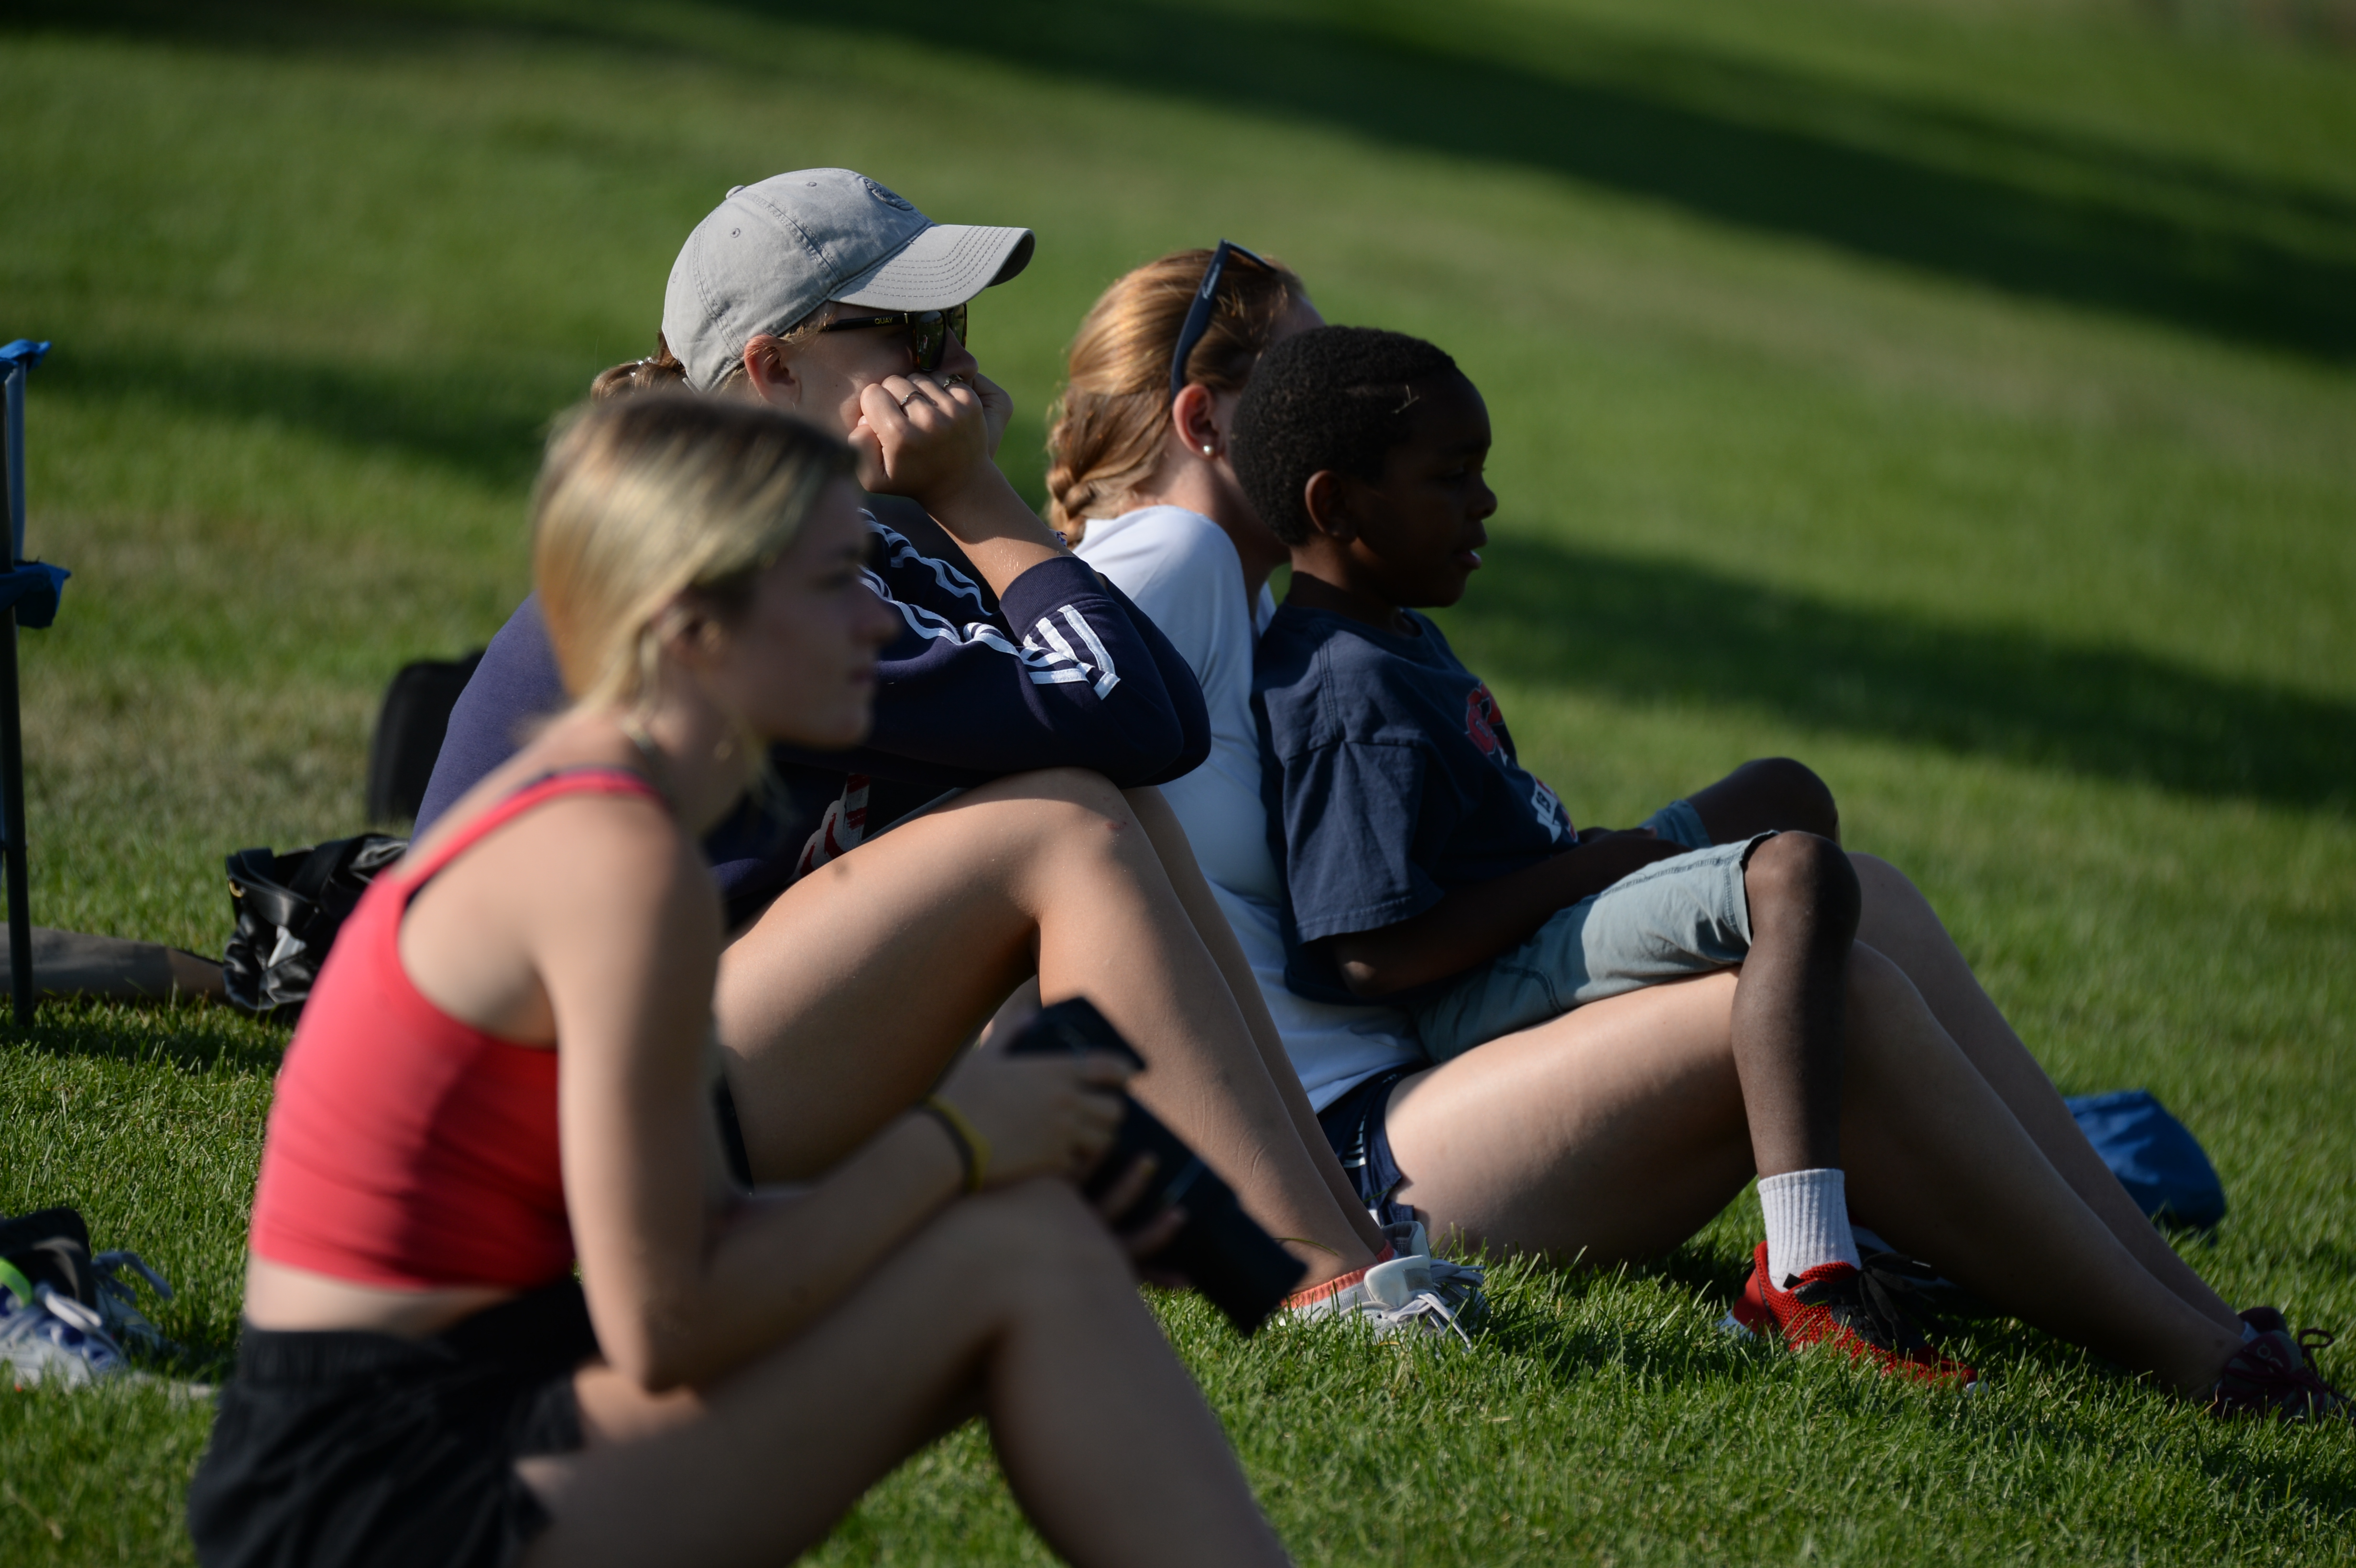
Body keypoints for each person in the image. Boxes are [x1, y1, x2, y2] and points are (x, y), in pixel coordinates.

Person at [1066, 300, 2334, 1415]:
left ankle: (2203, 1317)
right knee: (1829, 974)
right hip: (1372, 1155)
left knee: (1866, 902)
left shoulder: (1297, 614)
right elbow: (1337, 935)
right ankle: (2128, 1343)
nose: (1484, 500)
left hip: (1445, 1078)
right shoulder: (1183, 574)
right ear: (1208, 421)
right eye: (1286, 361)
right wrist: (1611, 862)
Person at [186, 396, 1296, 1567]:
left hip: (425, 1415)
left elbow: (702, 1228)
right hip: (377, 1490)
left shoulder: (599, 812)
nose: (876, 622)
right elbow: (669, 1321)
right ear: (690, 626)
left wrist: (977, 1174)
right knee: (1023, 1253)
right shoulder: (618, 865)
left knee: (1029, 1237)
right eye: (831, 586)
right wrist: (957, 1141)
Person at [416, 171, 1439, 1325]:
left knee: (1105, 804)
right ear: (774, 368)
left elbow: (1153, 730)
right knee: (1056, 826)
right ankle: (1313, 1280)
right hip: (553, 1117)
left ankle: (1343, 1237)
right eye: (909, 331)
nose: (954, 360)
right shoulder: (729, 559)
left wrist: (964, 505)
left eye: (952, 322)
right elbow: (1129, 718)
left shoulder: (847, 540)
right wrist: (979, 495)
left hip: (681, 1056)